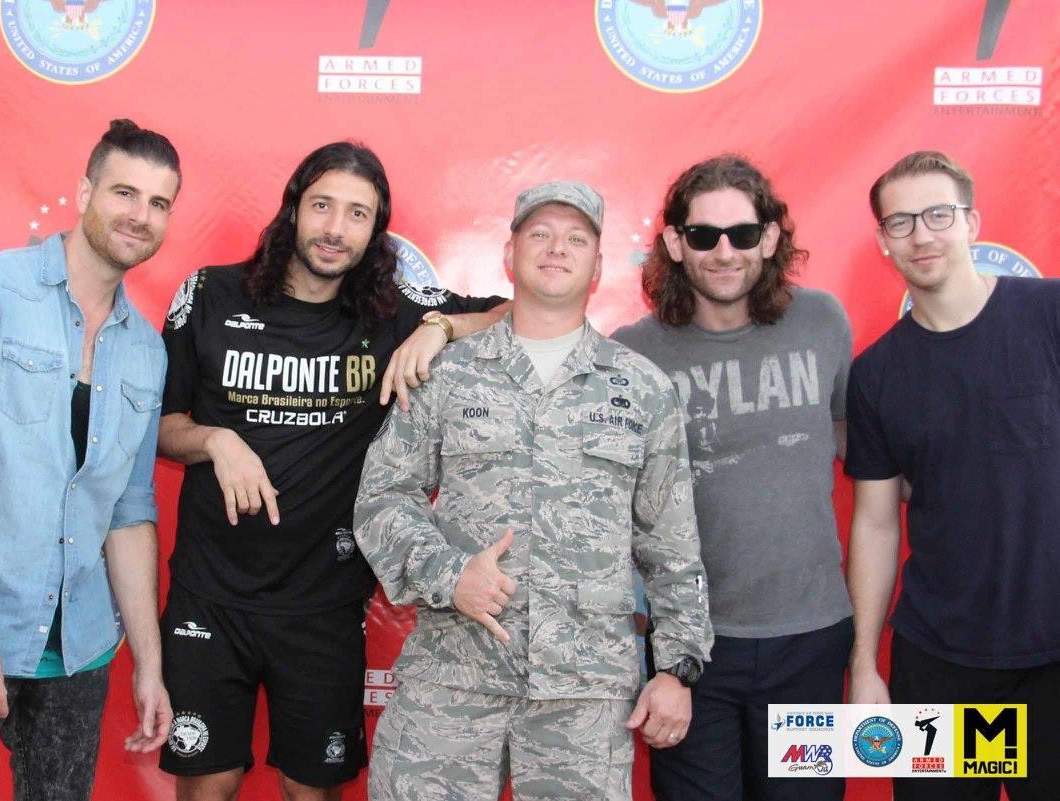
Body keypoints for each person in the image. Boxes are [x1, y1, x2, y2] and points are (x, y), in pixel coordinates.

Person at [156, 141, 507, 801]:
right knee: (209, 782)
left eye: (357, 214)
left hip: (324, 601)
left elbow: (519, 312)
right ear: (293, 209)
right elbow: (160, 426)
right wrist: (216, 440)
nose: (335, 228)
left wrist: (438, 328)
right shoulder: (210, 293)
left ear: (376, 232)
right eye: (322, 206)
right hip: (210, 593)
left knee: (310, 788)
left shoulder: (391, 312)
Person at [354, 181, 713, 801]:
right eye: (540, 233)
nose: (556, 248)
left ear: (597, 267)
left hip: (584, 696)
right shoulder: (447, 374)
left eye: (577, 239)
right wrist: (450, 574)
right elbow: (383, 496)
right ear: (509, 253)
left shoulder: (642, 389)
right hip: (453, 680)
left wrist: (677, 669)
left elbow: (672, 544)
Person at [0, 119, 179, 801]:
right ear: (85, 192)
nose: (140, 215)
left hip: (78, 650)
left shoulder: (147, 351)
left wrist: (149, 664)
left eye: (158, 203)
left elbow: (129, 511)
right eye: (125, 192)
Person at [613, 155, 853, 801]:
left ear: (769, 238)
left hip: (811, 639)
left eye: (742, 234)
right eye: (703, 235)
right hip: (690, 651)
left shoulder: (823, 322)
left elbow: (856, 444)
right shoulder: (632, 354)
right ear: (674, 243)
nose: (724, 252)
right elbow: (609, 505)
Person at [845, 150, 1060, 800]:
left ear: (972, 222)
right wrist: (863, 663)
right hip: (942, 666)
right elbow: (876, 523)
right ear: (883, 240)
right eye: (901, 221)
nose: (922, 235)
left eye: (938, 214)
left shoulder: (1048, 313)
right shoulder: (876, 374)